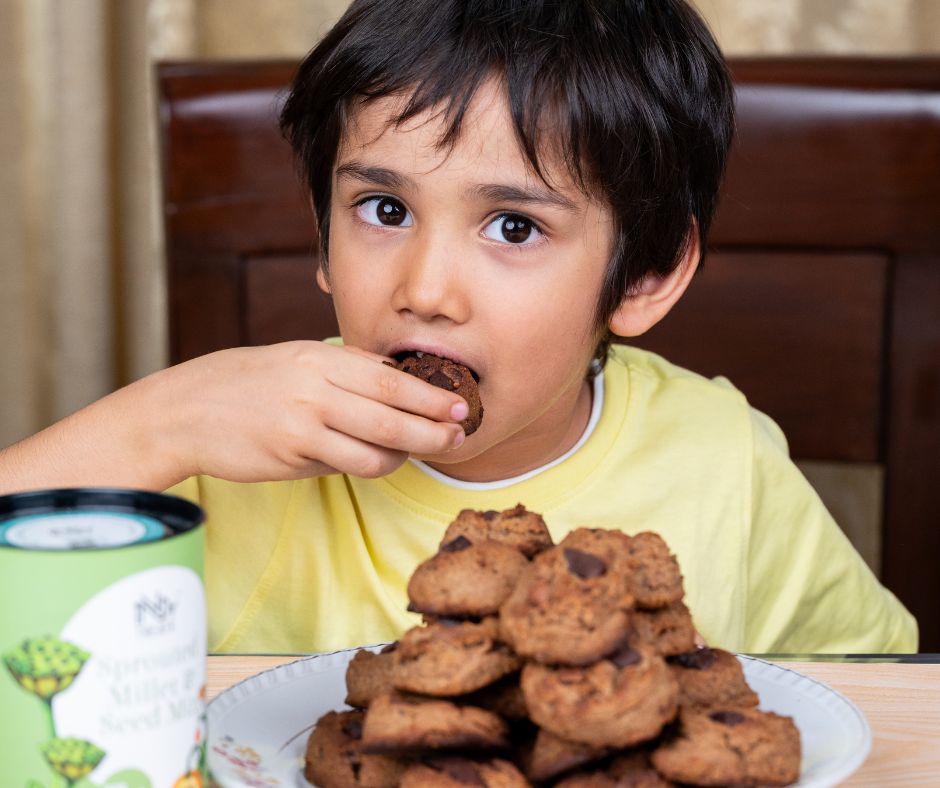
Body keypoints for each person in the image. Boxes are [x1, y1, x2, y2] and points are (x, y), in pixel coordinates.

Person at [0, 0, 916, 655]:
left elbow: (884, 712)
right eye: (384, 209)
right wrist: (161, 424)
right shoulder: (227, 451)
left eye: (514, 227)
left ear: (643, 274)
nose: (427, 290)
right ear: (320, 234)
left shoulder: (727, 462)